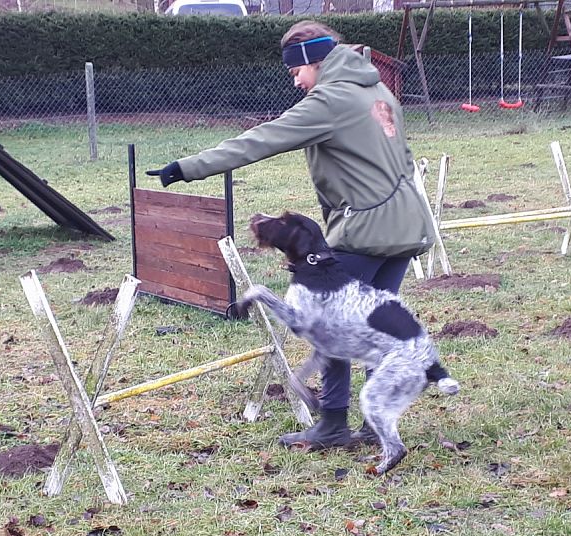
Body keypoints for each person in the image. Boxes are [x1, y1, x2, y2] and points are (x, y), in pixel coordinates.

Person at [148, 20, 436, 450]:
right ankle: (375, 425)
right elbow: (405, 157)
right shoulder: (379, 91)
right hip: (407, 228)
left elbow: (262, 139)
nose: (296, 81)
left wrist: (187, 167)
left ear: (313, 62)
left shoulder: (330, 100)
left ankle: (333, 423)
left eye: (296, 72)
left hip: (365, 231)